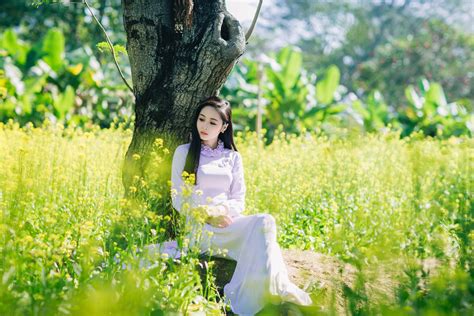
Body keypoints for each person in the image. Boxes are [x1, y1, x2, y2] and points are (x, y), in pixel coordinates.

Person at [151, 96, 313, 315]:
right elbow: (178, 199)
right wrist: (207, 215)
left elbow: (239, 199)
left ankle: (261, 297)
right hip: (201, 230)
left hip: (228, 224)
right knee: (268, 242)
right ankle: (264, 299)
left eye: (212, 122)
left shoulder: (233, 158)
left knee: (265, 222)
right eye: (201, 119)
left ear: (224, 126)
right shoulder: (184, 152)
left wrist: (221, 211)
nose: (204, 126)